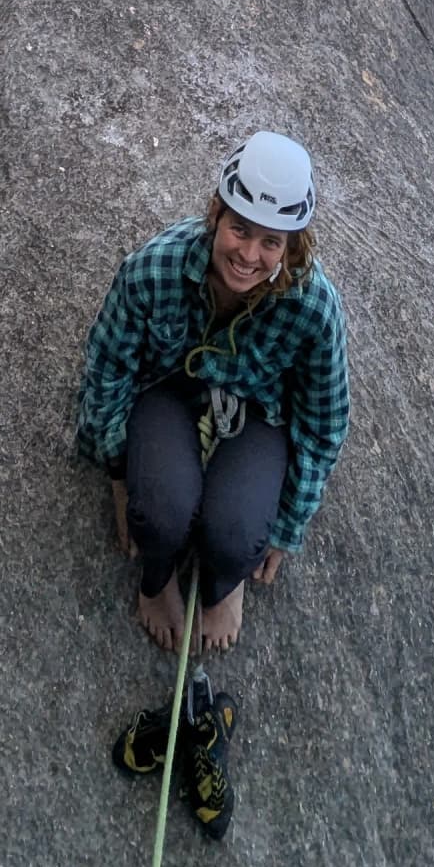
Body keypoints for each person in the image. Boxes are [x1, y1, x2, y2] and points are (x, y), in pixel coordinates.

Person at [75, 132, 350, 658]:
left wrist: (285, 526)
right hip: (168, 389)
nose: (248, 255)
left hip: (258, 411)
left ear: (292, 246)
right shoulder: (152, 269)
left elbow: (324, 422)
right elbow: (108, 369)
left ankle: (225, 583)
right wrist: (117, 472)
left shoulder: (314, 307)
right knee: (158, 516)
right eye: (239, 229)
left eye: (271, 242)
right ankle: (158, 579)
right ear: (216, 215)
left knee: (237, 538)